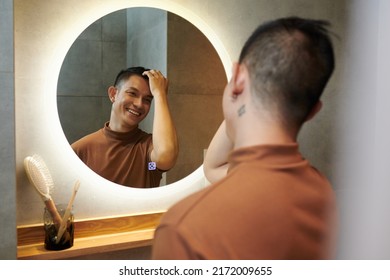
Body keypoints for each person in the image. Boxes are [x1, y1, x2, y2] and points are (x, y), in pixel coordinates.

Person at [152, 17, 337, 259]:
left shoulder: (184, 228)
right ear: (313, 110)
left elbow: (179, 162)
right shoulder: (325, 194)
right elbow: (214, 167)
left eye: (147, 99)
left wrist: (238, 91)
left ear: (238, 79)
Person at [72, 67, 178, 188]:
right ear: (113, 94)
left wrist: (160, 94)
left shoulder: (149, 162)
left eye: (147, 100)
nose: (139, 104)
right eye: (132, 93)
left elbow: (165, 156)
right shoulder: (82, 150)